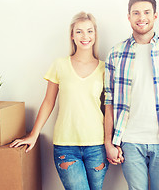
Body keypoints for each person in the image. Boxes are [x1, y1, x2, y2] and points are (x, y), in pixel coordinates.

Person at [10, 12, 108, 190]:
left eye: (89, 31)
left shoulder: (105, 69)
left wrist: (112, 142)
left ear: (95, 34)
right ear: (72, 35)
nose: (85, 36)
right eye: (79, 32)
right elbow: (48, 102)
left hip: (97, 145)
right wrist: (33, 134)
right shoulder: (60, 65)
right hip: (66, 146)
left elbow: (110, 109)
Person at [104, 0, 159, 190]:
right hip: (129, 141)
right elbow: (108, 101)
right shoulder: (116, 53)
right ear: (128, 17)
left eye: (146, 12)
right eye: (135, 13)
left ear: (155, 16)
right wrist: (109, 142)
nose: (141, 17)